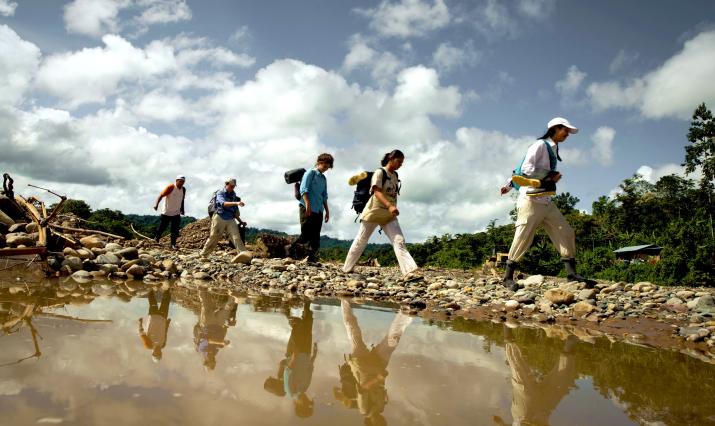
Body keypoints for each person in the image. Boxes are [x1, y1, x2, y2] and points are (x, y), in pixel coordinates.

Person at [500, 118, 595, 291]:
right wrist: (551, 175)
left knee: (565, 232)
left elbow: (519, 170)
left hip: (546, 200)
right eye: (565, 130)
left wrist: (508, 185)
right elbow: (526, 168)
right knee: (523, 236)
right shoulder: (540, 145)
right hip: (530, 199)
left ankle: (571, 274)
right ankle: (507, 277)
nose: (567, 134)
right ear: (555, 129)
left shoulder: (552, 148)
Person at [343, 150, 421, 281]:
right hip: (374, 211)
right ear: (391, 159)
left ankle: (409, 272)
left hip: (388, 215)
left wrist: (392, 207)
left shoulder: (395, 175)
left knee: (399, 240)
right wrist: (390, 206)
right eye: (399, 161)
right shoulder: (380, 172)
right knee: (361, 240)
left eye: (402, 162)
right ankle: (347, 268)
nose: (400, 164)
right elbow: (376, 192)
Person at [333, 300, 412, 425]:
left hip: (362, 367)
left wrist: (378, 378)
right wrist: (380, 377)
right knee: (393, 339)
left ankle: (345, 300)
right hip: (378, 365)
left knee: (352, 330)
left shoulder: (364, 410)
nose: (383, 423)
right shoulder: (380, 408)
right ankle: (406, 310)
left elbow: (362, 390)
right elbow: (379, 388)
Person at [493, 326, 578, 426]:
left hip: (525, 415)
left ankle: (507, 329)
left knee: (519, 372)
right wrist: (500, 423)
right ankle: (570, 344)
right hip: (543, 411)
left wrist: (501, 423)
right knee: (560, 384)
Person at [263, 302, 318, 418]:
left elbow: (288, 370)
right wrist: (314, 355)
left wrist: (294, 355)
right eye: (310, 401)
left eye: (307, 403)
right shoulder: (305, 388)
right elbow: (309, 369)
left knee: (297, 326)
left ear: (300, 405)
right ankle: (307, 303)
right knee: (308, 326)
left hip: (295, 352)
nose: (308, 399)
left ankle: (288, 306)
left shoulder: (290, 391)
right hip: (306, 352)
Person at [288, 153, 333, 263]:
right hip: (306, 207)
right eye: (325, 166)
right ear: (319, 163)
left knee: (316, 235)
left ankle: (312, 258)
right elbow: (304, 189)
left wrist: (327, 211)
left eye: (328, 167)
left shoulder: (323, 178)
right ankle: (289, 249)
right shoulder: (310, 173)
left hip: (318, 209)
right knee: (305, 234)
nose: (326, 169)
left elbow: (324, 195)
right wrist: (308, 205)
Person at [201, 178, 249, 257]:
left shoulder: (233, 195)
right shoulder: (220, 193)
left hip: (230, 218)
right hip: (220, 216)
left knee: (236, 237)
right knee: (214, 237)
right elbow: (223, 204)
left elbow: (234, 211)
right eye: (231, 186)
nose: (232, 188)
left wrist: (240, 221)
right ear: (226, 184)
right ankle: (204, 254)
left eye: (233, 186)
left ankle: (244, 255)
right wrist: (236, 203)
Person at [193, 290, 238, 370]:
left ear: (206, 361)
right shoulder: (214, 352)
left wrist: (221, 342)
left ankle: (201, 282)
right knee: (227, 310)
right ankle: (233, 294)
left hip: (207, 322)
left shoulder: (202, 350)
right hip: (219, 324)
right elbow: (221, 337)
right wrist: (226, 327)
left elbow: (208, 340)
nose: (214, 360)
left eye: (212, 361)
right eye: (214, 361)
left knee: (205, 298)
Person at [137, 289, 172, 362]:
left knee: (152, 300)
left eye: (156, 354)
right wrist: (168, 323)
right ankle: (167, 287)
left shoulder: (148, 345)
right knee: (166, 301)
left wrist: (140, 323)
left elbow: (141, 334)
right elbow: (165, 333)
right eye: (159, 354)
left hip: (153, 316)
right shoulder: (163, 345)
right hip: (163, 317)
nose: (157, 352)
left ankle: (151, 286)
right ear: (161, 353)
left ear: (152, 353)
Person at [153, 175, 186, 249]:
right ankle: (156, 239)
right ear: (176, 181)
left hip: (176, 213)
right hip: (166, 212)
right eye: (180, 181)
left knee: (175, 229)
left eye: (183, 182)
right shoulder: (171, 187)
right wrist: (156, 205)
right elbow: (161, 196)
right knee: (162, 227)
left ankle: (173, 244)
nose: (181, 183)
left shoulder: (183, 189)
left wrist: (182, 209)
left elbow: (182, 200)